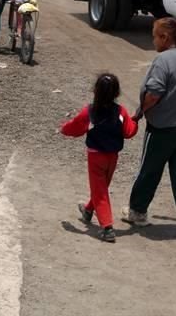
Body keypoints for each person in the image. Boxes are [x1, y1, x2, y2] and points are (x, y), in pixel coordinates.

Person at [123, 17, 176, 243]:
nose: (153, 40)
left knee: (150, 169)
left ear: (165, 37)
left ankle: (137, 212)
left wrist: (140, 111)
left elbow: (154, 92)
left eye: (154, 36)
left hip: (165, 127)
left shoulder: (164, 60)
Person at [61, 73, 139, 243]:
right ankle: (88, 210)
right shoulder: (121, 112)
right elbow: (129, 132)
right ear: (116, 93)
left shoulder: (89, 112)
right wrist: (135, 120)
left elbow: (74, 128)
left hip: (96, 157)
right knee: (101, 187)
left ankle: (107, 228)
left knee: (100, 190)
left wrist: (63, 129)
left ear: (95, 90)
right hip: (113, 157)